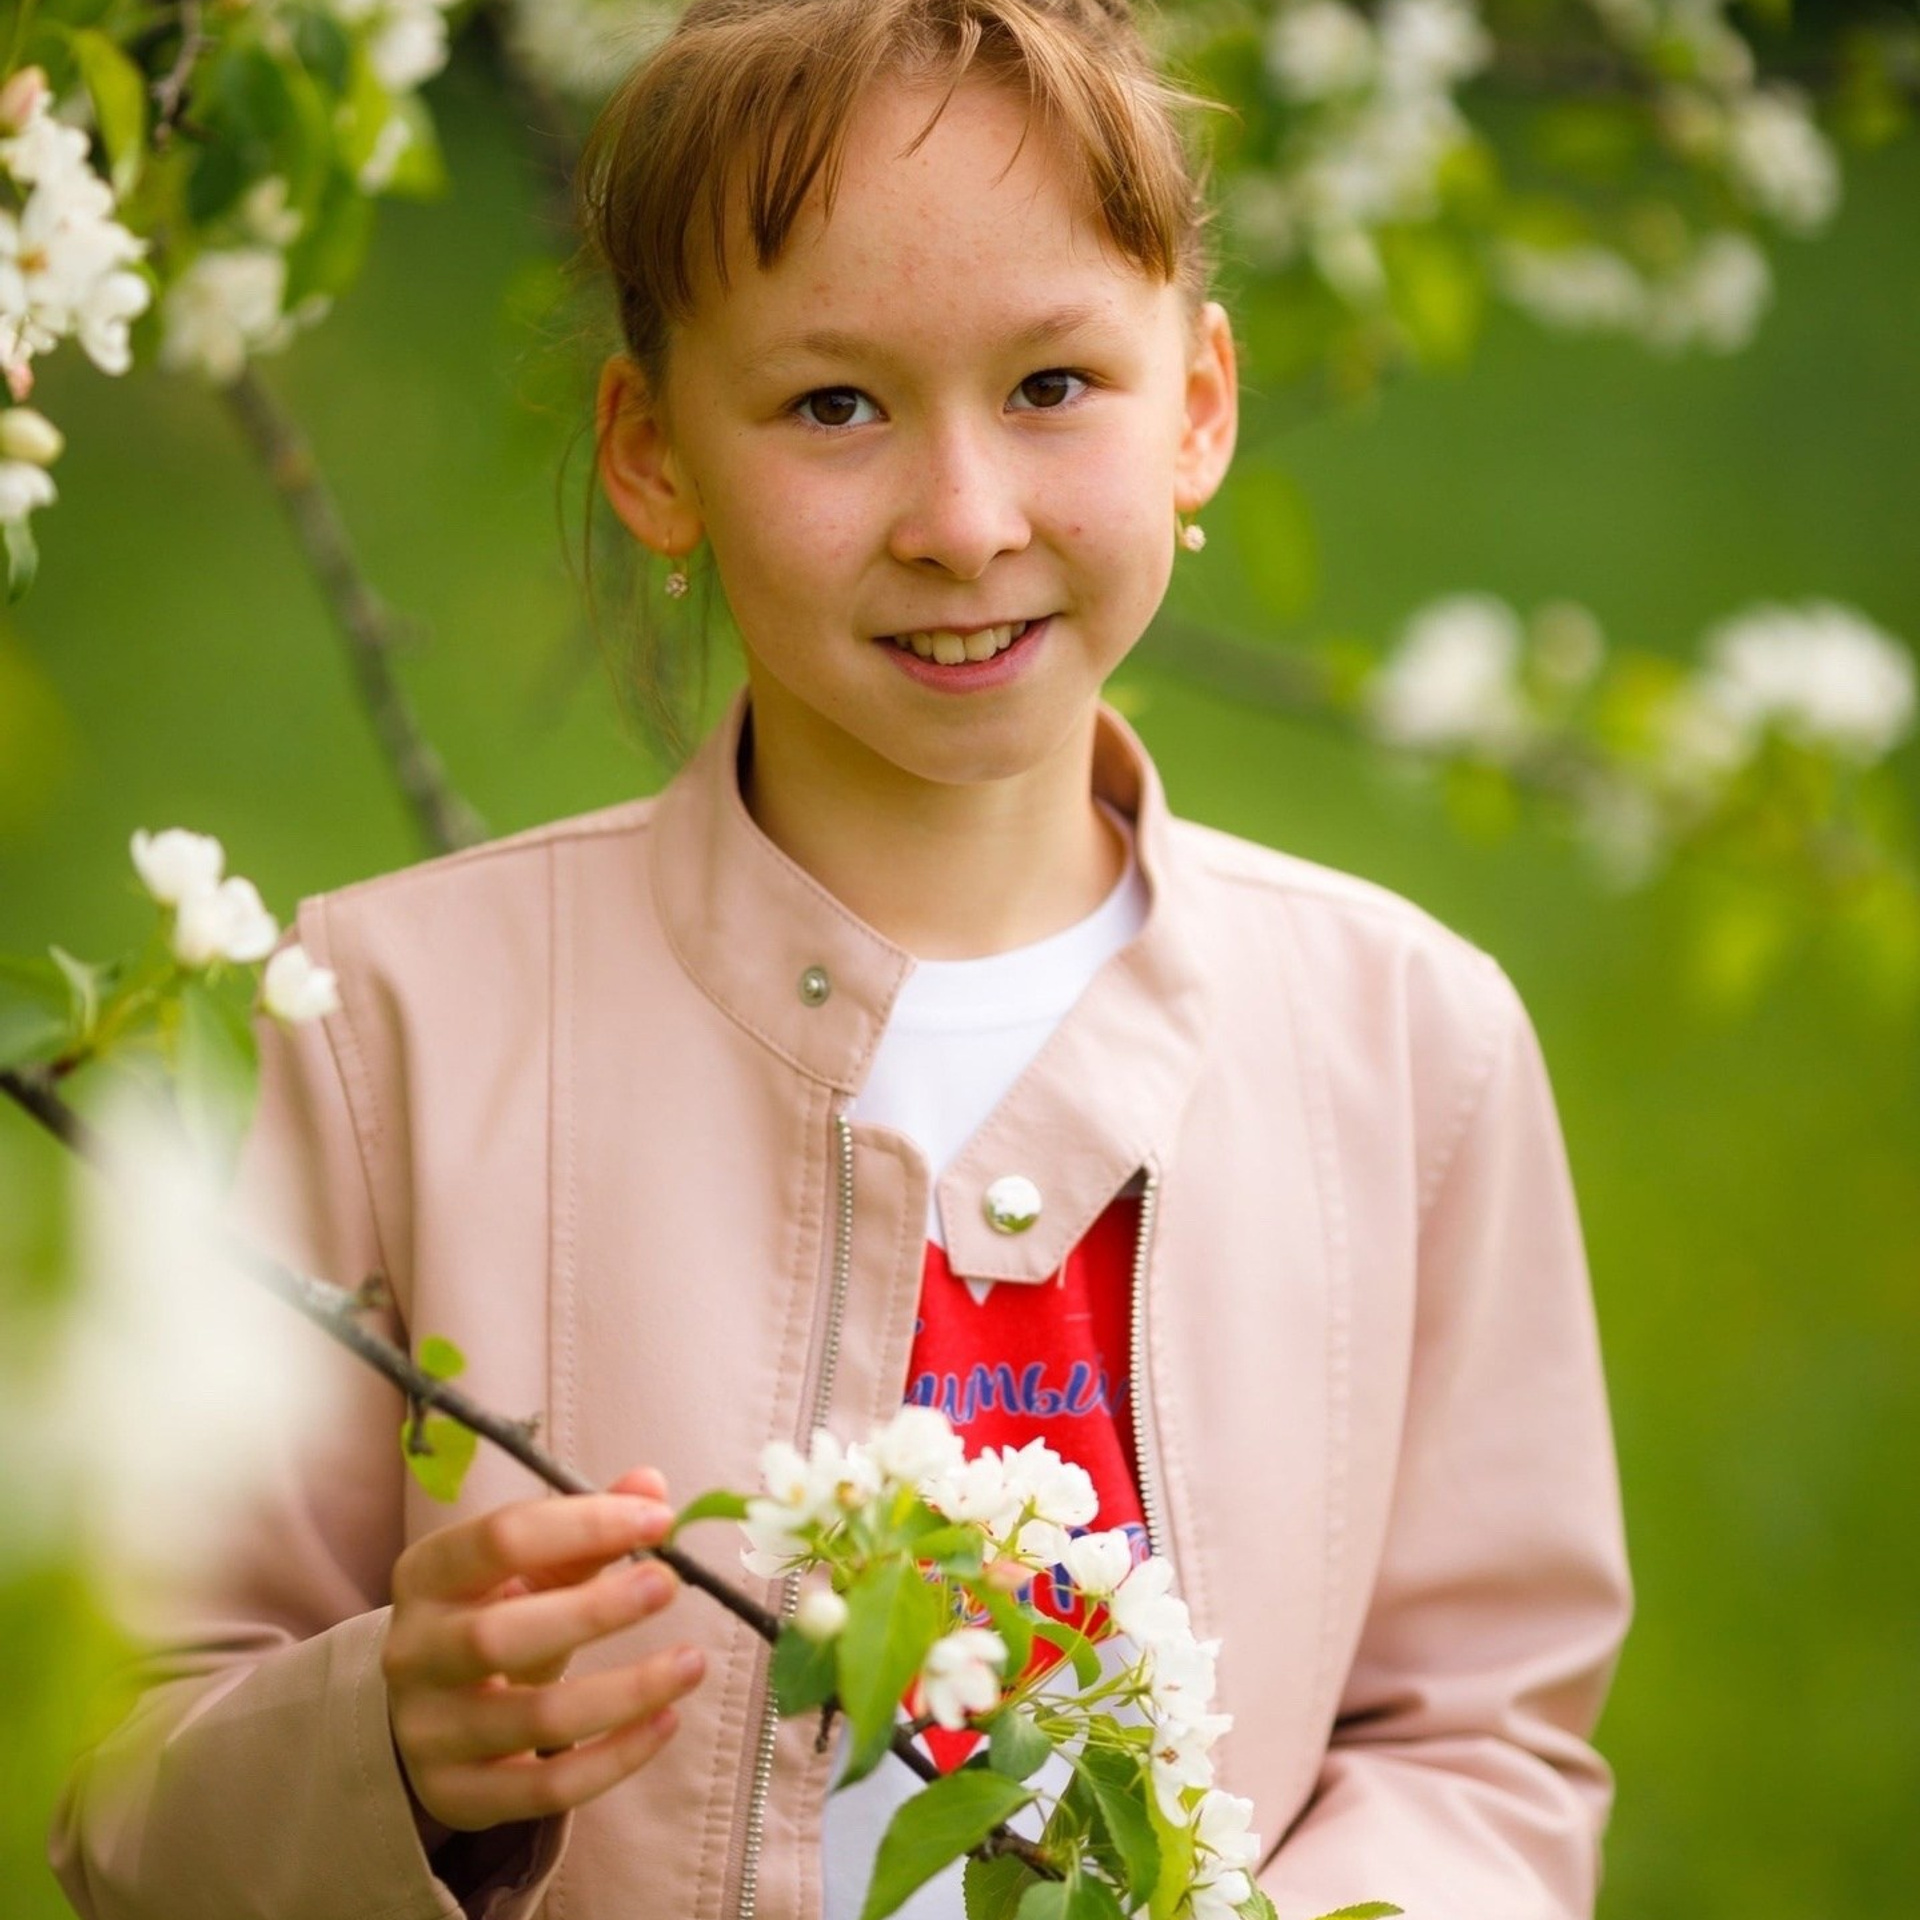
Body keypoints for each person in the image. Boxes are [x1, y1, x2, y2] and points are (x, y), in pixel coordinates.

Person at [48, 0, 1631, 1915]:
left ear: (1200, 404)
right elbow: (127, 1788)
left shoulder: (1412, 1047)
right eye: (833, 407)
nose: (965, 524)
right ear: (653, 456)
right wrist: (384, 1743)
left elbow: (1482, 1742)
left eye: (1055, 385)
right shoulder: (389, 1028)